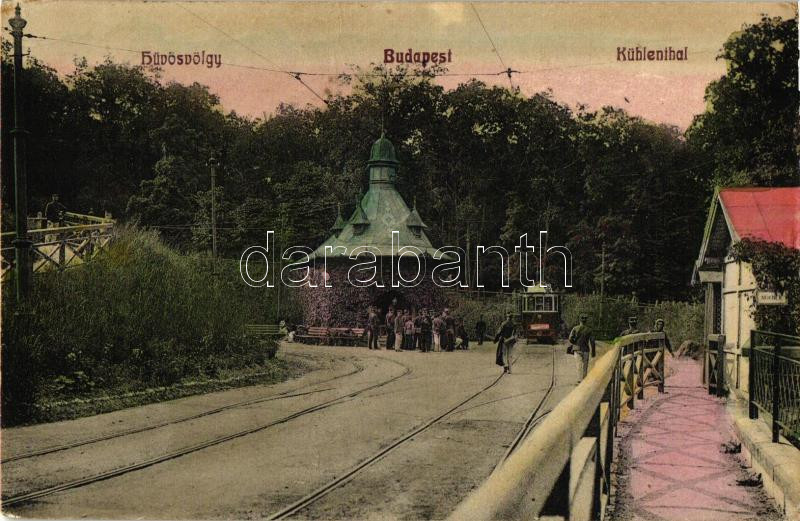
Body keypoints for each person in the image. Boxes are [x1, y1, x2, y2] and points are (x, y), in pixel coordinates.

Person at [568, 313, 597, 383]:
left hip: (577, 349)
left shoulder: (575, 328)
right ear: (586, 320)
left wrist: (575, 342)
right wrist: (593, 352)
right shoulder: (589, 330)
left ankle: (579, 379)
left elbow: (570, 338)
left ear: (579, 320)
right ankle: (584, 379)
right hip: (586, 350)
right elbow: (592, 342)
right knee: (585, 365)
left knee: (578, 365)